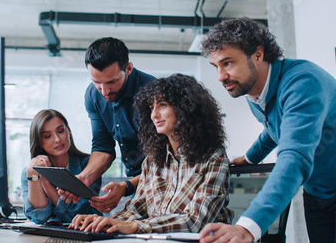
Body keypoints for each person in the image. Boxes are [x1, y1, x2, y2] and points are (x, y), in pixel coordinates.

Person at [199, 18, 336, 243]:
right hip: (317, 191)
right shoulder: (253, 93)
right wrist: (250, 157)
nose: (221, 76)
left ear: (258, 55)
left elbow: (294, 156)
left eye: (228, 63)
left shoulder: (302, 82)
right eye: (216, 67)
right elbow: (274, 129)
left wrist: (248, 226)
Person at [68, 74, 234, 234]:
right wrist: (104, 223)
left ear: (186, 107)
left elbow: (196, 221)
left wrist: (135, 226)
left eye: (162, 105)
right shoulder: (153, 161)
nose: (154, 115)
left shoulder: (213, 157)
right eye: (151, 107)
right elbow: (135, 210)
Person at [58, 37, 156, 213]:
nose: (104, 91)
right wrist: (83, 178)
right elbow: (103, 147)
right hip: (135, 184)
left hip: (163, 181)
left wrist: (126, 187)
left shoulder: (154, 93)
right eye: (97, 82)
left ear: (128, 69)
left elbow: (169, 162)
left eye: (111, 82)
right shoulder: (93, 95)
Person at [21, 109, 101, 224]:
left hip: (88, 232)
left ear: (68, 132)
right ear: (39, 142)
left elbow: (75, 216)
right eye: (48, 136)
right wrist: (34, 177)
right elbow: (39, 218)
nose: (57, 140)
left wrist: (46, 183)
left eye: (60, 131)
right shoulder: (29, 172)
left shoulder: (89, 165)